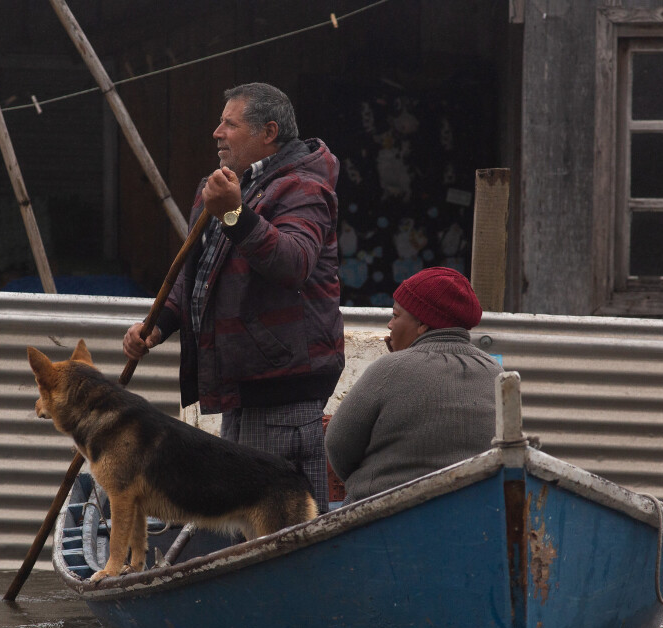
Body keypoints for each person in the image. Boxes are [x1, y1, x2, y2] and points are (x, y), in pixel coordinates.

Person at [123, 82, 343, 512]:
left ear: (268, 132)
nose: (216, 133)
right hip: (241, 386)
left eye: (230, 123)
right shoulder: (224, 187)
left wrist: (233, 214)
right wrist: (157, 326)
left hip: (282, 391)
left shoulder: (303, 188)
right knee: (245, 524)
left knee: (281, 533)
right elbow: (198, 276)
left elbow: (292, 262)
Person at [325, 267, 502, 503]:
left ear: (423, 325)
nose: (389, 324)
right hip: (469, 514)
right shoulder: (495, 372)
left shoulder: (389, 369)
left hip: (379, 518)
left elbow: (337, 445)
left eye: (396, 316)